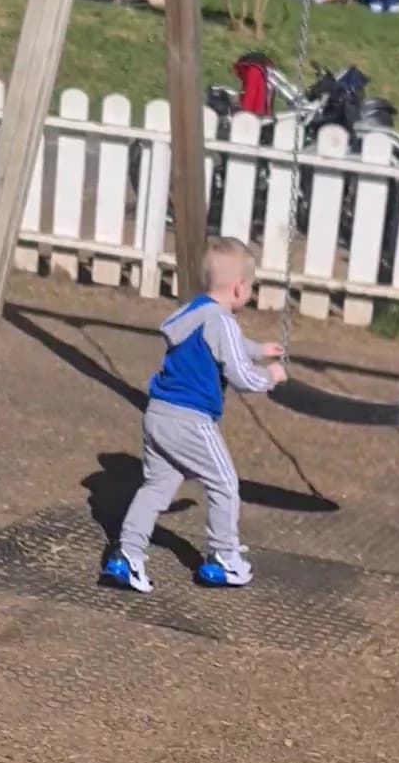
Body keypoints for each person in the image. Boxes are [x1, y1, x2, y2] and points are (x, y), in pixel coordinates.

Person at [103, 239, 286, 593]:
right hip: (191, 420)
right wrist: (270, 377)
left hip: (157, 414)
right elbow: (242, 377)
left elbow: (225, 345)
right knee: (225, 483)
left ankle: (127, 554)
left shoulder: (191, 313)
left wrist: (258, 349)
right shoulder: (224, 323)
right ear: (239, 288)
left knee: (156, 487)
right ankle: (223, 558)